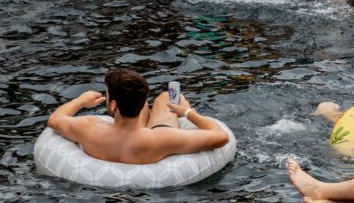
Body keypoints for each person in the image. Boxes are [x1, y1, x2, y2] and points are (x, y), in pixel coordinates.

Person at [47, 68, 229, 164]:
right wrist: (188, 113)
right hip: (147, 143)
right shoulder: (164, 138)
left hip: (114, 141)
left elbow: (55, 120)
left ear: (113, 104)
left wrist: (80, 101)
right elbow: (221, 137)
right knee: (167, 97)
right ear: (143, 101)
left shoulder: (88, 129)